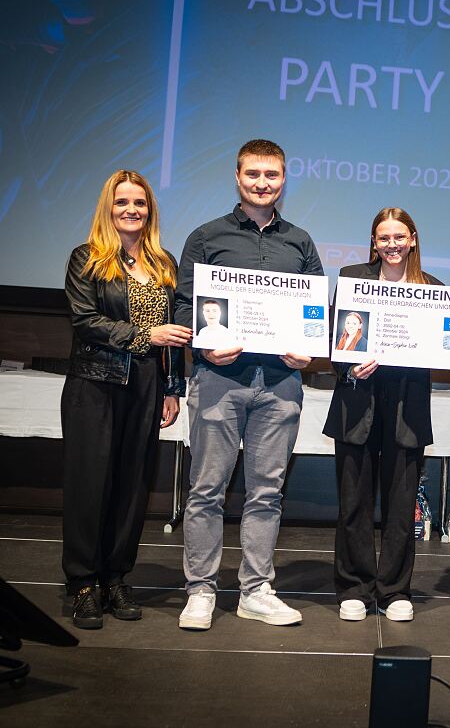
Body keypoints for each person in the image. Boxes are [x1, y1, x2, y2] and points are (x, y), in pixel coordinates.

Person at [174, 139, 323, 630]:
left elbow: (314, 314)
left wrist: (309, 350)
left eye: (273, 175)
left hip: (280, 383)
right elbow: (183, 305)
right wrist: (202, 344)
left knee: (266, 493)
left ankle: (255, 590)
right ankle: (200, 591)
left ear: (284, 179)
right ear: (238, 177)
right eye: (254, 174)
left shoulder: (300, 242)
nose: (263, 183)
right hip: (219, 378)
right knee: (206, 489)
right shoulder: (206, 237)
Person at [324, 208, 450, 623]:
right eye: (383, 237)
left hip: (406, 406)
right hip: (358, 400)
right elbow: (334, 338)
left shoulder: (434, 289)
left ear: (412, 239)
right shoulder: (354, 278)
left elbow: (447, 345)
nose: (391, 245)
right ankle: (354, 587)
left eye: (399, 237)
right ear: (374, 242)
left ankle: (394, 590)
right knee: (353, 502)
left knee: (400, 503)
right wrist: (349, 367)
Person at [61, 170, 191, 629]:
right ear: (108, 209)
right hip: (95, 383)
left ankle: (116, 577)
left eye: (140, 203)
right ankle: (82, 583)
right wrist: (142, 335)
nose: (131, 210)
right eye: (122, 203)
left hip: (148, 385)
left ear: (150, 210)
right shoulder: (87, 259)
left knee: (133, 486)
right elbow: (85, 321)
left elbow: (173, 336)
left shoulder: (163, 262)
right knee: (89, 484)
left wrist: (173, 389)